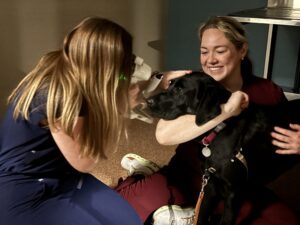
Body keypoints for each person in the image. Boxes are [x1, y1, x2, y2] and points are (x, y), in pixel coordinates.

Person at [115, 16, 300, 225]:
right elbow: (163, 136)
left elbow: (283, 135)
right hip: (188, 176)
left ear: (242, 51)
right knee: (121, 207)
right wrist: (225, 110)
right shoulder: (192, 85)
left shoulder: (267, 91)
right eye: (204, 51)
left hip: (237, 185)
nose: (210, 59)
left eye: (220, 51)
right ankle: (147, 175)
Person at [0, 17, 143, 225]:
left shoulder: (68, 66)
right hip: (25, 188)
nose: (126, 72)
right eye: (123, 66)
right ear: (105, 66)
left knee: (130, 221)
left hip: (63, 173)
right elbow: (85, 161)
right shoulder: (58, 95)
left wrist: (157, 82)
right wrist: (120, 108)